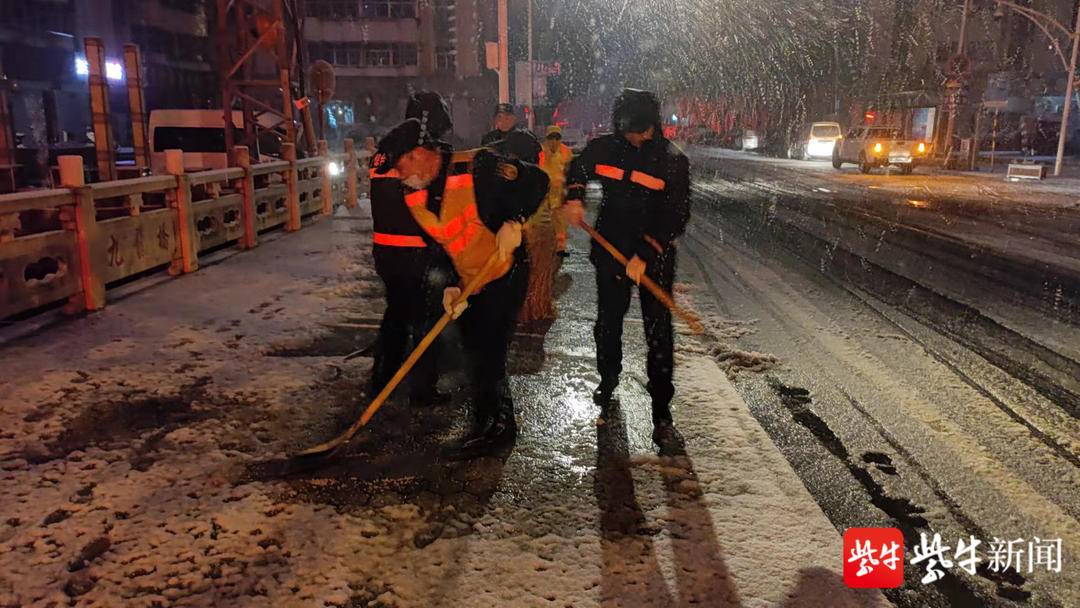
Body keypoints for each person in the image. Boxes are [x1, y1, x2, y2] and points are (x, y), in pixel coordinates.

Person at [373, 118, 548, 450]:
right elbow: (440, 243)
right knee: (474, 353)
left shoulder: (478, 166)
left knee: (491, 352)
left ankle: (499, 430)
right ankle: (485, 420)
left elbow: (537, 180)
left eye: (403, 162)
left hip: (504, 269)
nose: (401, 173)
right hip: (469, 279)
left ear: (423, 152)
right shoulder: (415, 195)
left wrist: (516, 220)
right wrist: (451, 284)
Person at [562, 89, 691, 442]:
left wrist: (646, 255)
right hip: (610, 248)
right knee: (608, 321)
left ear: (654, 126)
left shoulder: (671, 161)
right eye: (630, 130)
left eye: (643, 130)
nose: (637, 137)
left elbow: (676, 216)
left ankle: (662, 406)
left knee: (658, 330)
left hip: (655, 255)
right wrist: (574, 197)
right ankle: (608, 380)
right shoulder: (606, 148)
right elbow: (578, 167)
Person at [367, 91, 454, 408]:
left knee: (395, 315)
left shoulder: (382, 152)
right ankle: (423, 389)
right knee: (424, 321)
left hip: (384, 251)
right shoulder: (420, 152)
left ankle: (382, 379)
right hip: (414, 251)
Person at [539, 125, 573, 257]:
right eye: (551, 137)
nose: (554, 141)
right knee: (542, 220)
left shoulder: (566, 152)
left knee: (561, 221)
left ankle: (560, 247)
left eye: (557, 138)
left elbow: (570, 172)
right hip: (544, 191)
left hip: (559, 192)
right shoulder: (540, 151)